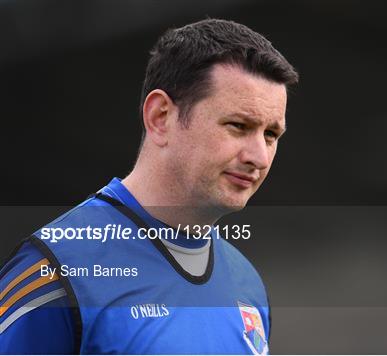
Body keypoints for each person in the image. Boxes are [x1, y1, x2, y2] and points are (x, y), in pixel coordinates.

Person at [0, 19, 298, 354]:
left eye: (271, 135)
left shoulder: (248, 287)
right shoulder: (58, 273)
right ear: (160, 117)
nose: (258, 156)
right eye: (238, 125)